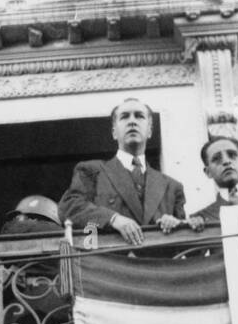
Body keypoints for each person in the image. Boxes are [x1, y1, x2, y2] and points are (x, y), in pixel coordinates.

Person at [58, 98, 186, 245]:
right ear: (114, 132)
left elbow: (189, 244)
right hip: (112, 263)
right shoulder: (92, 171)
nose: (132, 121)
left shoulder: (172, 187)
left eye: (139, 116)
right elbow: (69, 207)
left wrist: (175, 224)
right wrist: (113, 218)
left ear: (150, 131)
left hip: (157, 265)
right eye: (124, 117)